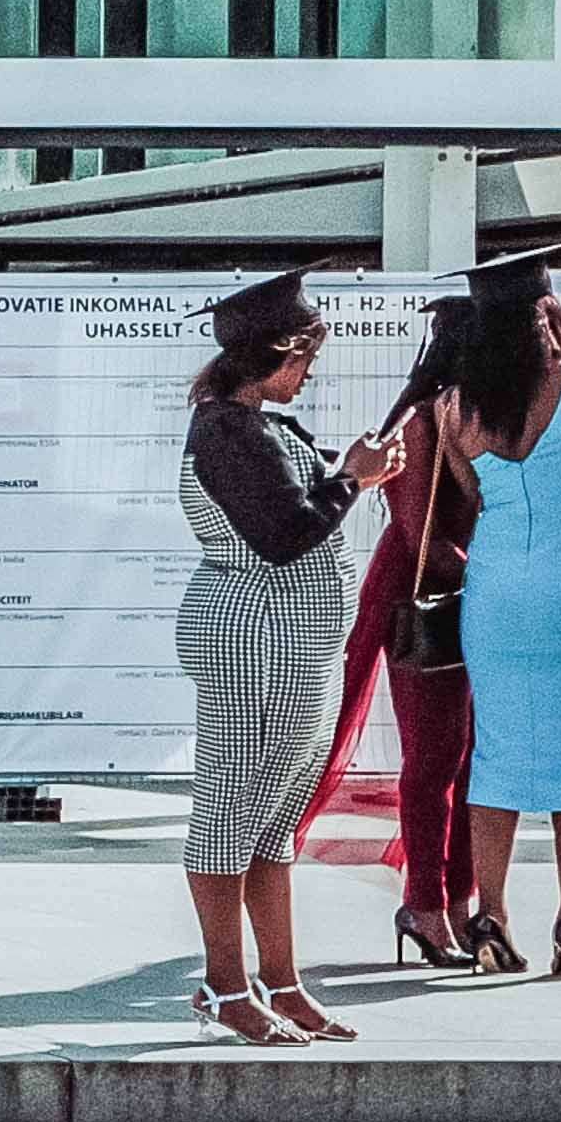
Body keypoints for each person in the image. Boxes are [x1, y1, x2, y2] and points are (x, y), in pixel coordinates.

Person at [178, 270, 401, 1043]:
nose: (307, 374)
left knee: (272, 821)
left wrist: (352, 476)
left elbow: (293, 510)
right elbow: (283, 536)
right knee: (230, 811)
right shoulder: (229, 432)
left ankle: (280, 982)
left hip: (293, 647)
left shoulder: (252, 426)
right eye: (304, 359)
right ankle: (224, 988)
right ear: (275, 353)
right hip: (257, 642)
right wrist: (354, 479)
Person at [328, 301, 507, 975]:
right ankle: (424, 905)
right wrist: (504, 574)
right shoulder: (422, 424)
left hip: (467, 597)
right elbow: (421, 541)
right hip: (423, 601)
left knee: (471, 762)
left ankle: (457, 902)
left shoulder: (475, 418)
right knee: (433, 759)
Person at [438, 268, 561, 981]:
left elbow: (473, 493)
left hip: (495, 594)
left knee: (494, 753)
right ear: (547, 314)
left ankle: (491, 916)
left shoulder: (458, 406)